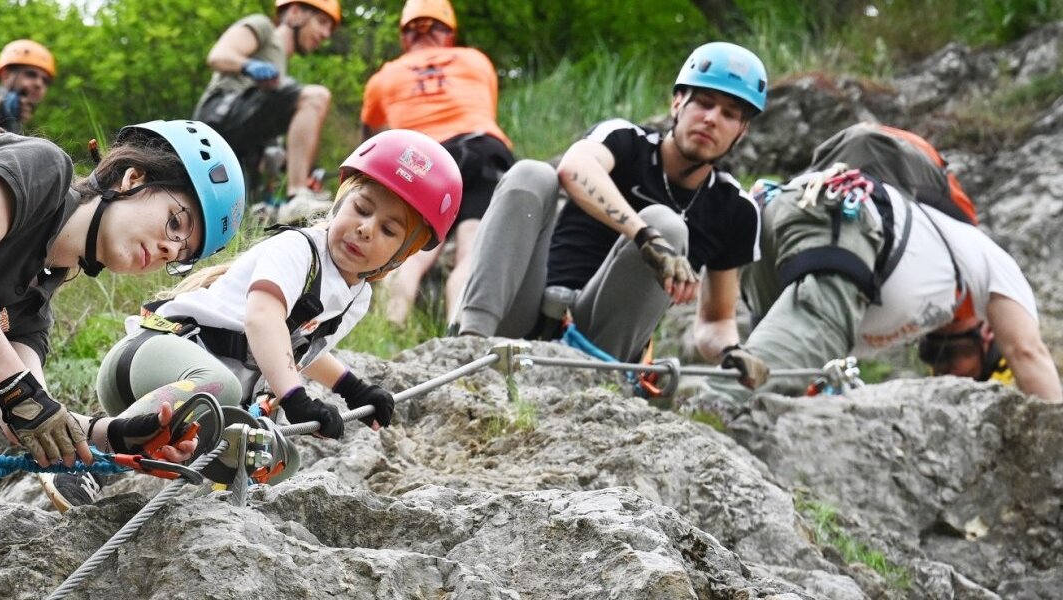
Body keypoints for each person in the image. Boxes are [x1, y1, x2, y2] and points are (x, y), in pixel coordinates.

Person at [40, 129, 463, 510]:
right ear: (339, 201)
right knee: (225, 390)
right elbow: (265, 321)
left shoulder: (358, 297)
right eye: (362, 209)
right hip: (152, 359)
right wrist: (295, 397)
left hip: (192, 398)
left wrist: (352, 387)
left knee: (276, 455)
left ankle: (203, 484)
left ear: (403, 255)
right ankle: (86, 464)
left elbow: (298, 350)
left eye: (389, 231)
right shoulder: (299, 250)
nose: (367, 230)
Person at [0, 119, 246, 487]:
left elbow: (23, 418)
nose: (170, 249)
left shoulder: (28, 310)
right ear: (134, 178)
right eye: (177, 223)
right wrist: (19, 392)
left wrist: (119, 434)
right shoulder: (43, 167)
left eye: (182, 255)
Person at [449, 42, 771, 389]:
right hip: (525, 312)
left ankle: (600, 381)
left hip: (601, 347)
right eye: (704, 103)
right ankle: (471, 343)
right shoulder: (626, 140)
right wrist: (644, 235)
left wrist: (730, 350)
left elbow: (715, 320)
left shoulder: (735, 209)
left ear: (742, 130)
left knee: (670, 226)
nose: (711, 119)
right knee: (530, 174)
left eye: (729, 114)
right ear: (677, 102)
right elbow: (575, 168)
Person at [707, 122, 1062, 404]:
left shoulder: (921, 287)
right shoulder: (984, 254)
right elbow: (1027, 352)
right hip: (836, 213)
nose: (946, 367)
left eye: (933, 355)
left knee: (784, 378)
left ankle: (719, 404)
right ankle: (712, 409)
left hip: (774, 236)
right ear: (987, 333)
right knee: (810, 334)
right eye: (947, 352)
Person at [359, 0, 515, 327]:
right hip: (484, 147)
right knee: (471, 251)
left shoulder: (385, 77)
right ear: (448, 34)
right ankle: (458, 336)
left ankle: (389, 327)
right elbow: (483, 109)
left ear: (405, 37)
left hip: (426, 158)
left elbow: (371, 141)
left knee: (413, 254)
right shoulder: (476, 61)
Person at [193, 0, 341, 224]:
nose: (325, 33)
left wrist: (295, 166)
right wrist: (247, 66)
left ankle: (289, 198)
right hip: (218, 117)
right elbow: (218, 55)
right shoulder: (263, 27)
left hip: (242, 143)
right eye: (321, 22)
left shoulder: (281, 67)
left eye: (329, 29)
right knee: (315, 97)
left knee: (240, 218)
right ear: (294, 13)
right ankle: (298, 195)